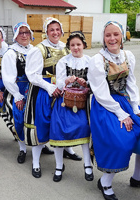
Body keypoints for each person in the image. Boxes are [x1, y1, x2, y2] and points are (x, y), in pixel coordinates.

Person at [88, 21, 140, 200]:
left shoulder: (128, 55)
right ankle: (105, 182)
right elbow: (101, 93)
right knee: (121, 139)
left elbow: (131, 83)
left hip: (126, 102)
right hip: (105, 105)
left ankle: (138, 177)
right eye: (108, 35)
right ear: (103, 38)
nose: (112, 39)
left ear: (122, 37)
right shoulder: (98, 60)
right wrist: (121, 114)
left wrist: (135, 107)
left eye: (115, 34)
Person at [25, 17, 82, 179]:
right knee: (41, 125)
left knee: (61, 124)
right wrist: (50, 87)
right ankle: (36, 162)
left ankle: (66, 150)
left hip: (63, 91)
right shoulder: (39, 49)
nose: (55, 32)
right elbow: (32, 75)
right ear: (46, 32)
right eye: (52, 30)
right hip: (43, 92)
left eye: (58, 29)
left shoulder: (65, 47)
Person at [49, 31, 93, 182]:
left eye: (78, 44)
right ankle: (59, 166)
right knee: (59, 130)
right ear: (68, 47)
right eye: (72, 45)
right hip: (64, 101)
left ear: (84, 45)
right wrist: (66, 81)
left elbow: (95, 82)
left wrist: (85, 84)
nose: (75, 48)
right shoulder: (63, 61)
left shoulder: (90, 61)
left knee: (84, 129)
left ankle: (88, 165)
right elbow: (57, 83)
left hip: (82, 103)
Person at [1, 22, 34, 163]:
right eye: (21, 33)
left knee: (36, 119)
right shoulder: (11, 53)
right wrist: (17, 96)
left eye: (27, 32)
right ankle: (22, 149)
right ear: (15, 36)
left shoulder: (34, 50)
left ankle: (38, 143)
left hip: (34, 89)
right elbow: (8, 77)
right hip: (18, 89)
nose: (25, 35)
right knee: (19, 119)